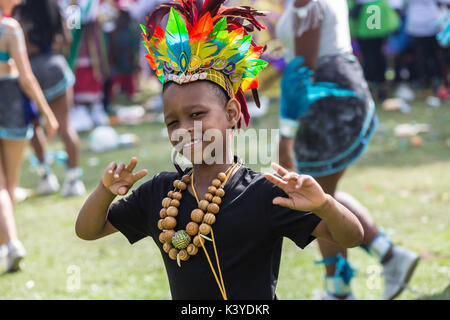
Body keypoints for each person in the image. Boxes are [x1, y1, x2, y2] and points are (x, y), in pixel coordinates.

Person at [75, 0, 365, 300]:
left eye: (197, 114)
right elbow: (89, 230)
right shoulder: (160, 193)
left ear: (231, 114)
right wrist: (105, 191)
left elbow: (351, 236)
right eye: (172, 121)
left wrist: (325, 205)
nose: (185, 128)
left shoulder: (265, 192)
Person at [276, 0, 419, 299]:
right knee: (324, 196)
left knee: (317, 201)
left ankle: (340, 292)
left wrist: (285, 137)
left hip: (327, 104)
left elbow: (304, 69)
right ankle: (389, 256)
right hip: (333, 100)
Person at [0, 0, 58, 272]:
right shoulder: (10, 28)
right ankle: (12, 244)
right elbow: (27, 78)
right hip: (10, 104)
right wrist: (48, 113)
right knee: (8, 185)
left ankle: (6, 246)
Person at [13, 0, 86, 197]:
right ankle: (73, 179)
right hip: (55, 66)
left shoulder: (20, 11)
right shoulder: (53, 7)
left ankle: (47, 176)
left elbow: (19, 44)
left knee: (34, 124)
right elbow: (67, 37)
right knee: (65, 126)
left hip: (30, 71)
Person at [348, 0, 400, 100]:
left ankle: (372, 89)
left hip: (365, 16)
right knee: (377, 55)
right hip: (376, 13)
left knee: (369, 57)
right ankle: (380, 88)